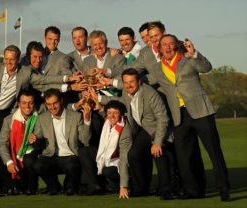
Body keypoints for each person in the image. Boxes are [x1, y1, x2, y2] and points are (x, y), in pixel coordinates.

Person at [0, 45, 69, 200]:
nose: (8, 62)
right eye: (6, 59)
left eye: (12, 59)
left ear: (18, 59)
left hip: (2, 118)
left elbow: (44, 80)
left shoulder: (25, 72)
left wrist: (66, 80)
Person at [150, 34, 231, 201]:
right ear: (159, 49)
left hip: (201, 111)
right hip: (179, 116)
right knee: (185, 156)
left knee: (214, 152)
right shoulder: (157, 69)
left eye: (171, 43)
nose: (167, 47)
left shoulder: (188, 59)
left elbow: (206, 67)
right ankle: (193, 191)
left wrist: (194, 53)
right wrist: (110, 81)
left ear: (176, 45)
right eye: (164, 44)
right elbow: (138, 81)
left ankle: (224, 189)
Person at [92, 69, 173, 199]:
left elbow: (163, 119)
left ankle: (166, 190)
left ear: (139, 81)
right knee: (133, 155)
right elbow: (116, 100)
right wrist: (99, 100)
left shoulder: (150, 94)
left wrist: (157, 142)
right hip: (144, 129)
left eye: (131, 82)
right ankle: (140, 189)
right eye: (126, 82)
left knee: (159, 153)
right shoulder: (126, 91)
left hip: (158, 129)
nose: (128, 85)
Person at [29, 89, 91, 195]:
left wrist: (87, 121)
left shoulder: (76, 116)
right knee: (38, 165)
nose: (52, 107)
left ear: (61, 101)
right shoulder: (42, 118)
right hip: (50, 156)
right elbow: (37, 140)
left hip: (71, 156)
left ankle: (69, 186)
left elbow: (85, 140)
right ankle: (54, 186)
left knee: (70, 188)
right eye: (49, 104)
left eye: (55, 103)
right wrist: (34, 140)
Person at [78, 100, 132, 199]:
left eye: (116, 113)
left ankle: (119, 186)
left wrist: (124, 186)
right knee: (84, 151)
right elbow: (104, 113)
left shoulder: (125, 131)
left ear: (121, 114)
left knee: (108, 171)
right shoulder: (107, 120)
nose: (112, 116)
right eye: (109, 113)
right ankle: (95, 186)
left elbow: (124, 158)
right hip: (107, 157)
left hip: (119, 162)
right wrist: (87, 118)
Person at [0, 90, 40, 196]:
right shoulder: (9, 120)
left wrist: (37, 140)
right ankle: (15, 186)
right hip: (15, 154)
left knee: (30, 160)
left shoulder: (40, 118)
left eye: (30, 103)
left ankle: (32, 188)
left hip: (32, 153)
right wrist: (9, 162)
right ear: (19, 104)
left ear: (34, 104)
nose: (27, 106)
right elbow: (1, 143)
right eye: (24, 103)